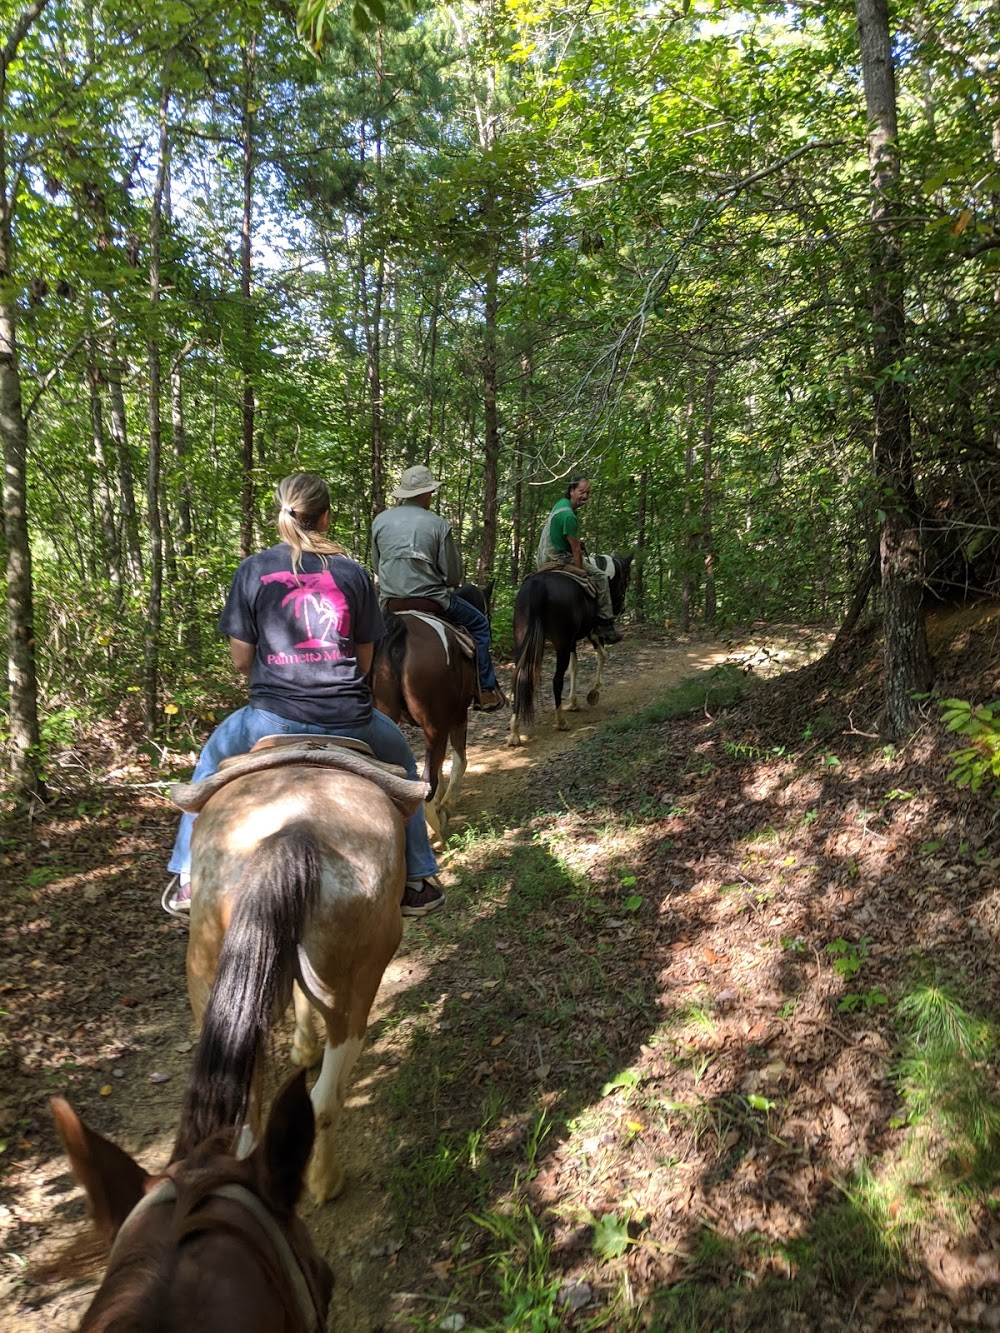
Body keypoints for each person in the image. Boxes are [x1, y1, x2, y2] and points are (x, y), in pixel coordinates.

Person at [163, 472, 444, 920]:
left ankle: (188, 875)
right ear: (326, 517)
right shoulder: (352, 573)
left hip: (269, 719)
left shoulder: (253, 570)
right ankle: (418, 878)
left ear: (281, 514)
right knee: (405, 769)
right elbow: (366, 660)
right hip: (350, 719)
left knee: (209, 761)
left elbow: (241, 660)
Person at [370, 464, 505, 711]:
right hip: (432, 600)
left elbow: (376, 565)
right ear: (424, 494)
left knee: (367, 636)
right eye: (430, 492)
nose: (431, 496)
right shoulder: (438, 524)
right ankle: (485, 689)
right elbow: (453, 576)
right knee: (480, 625)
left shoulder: (380, 521)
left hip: (390, 604)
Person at [535, 475, 623, 644]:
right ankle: (605, 622)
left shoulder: (559, 505)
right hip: (559, 559)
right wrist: (580, 572)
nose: (585, 496)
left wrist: (576, 543)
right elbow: (575, 550)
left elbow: (564, 537)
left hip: (543, 558)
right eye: (581, 491)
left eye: (588, 493)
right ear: (572, 491)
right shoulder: (569, 516)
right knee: (601, 577)